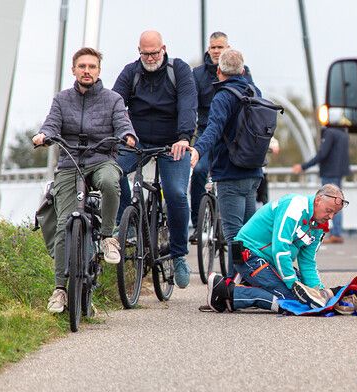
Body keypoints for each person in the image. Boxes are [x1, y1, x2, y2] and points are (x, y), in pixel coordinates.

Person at [32, 47, 137, 313]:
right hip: (70, 162)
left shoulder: (113, 99)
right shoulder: (62, 99)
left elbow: (122, 122)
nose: (87, 71)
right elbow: (52, 124)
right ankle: (59, 290)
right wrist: (43, 135)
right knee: (63, 224)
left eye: (92, 67)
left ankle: (107, 237)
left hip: (101, 160)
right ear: (74, 70)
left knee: (112, 182)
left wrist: (127, 136)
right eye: (82, 67)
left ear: (99, 71)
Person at [112, 30, 197, 288]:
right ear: (139, 51)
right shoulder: (131, 72)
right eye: (145, 53)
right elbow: (115, 104)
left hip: (173, 143)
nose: (150, 58)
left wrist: (184, 136)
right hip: (136, 140)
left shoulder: (179, 71)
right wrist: (122, 133)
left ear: (164, 49)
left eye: (154, 53)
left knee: (176, 194)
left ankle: (179, 253)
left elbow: (188, 104)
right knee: (112, 172)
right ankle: (125, 225)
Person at [204, 184, 349, 313]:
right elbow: (280, 249)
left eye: (334, 213)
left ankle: (249, 284)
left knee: (308, 297)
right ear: (318, 200)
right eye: (328, 210)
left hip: (269, 261)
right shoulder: (295, 206)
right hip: (250, 253)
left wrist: (318, 291)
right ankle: (226, 292)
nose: (330, 217)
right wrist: (293, 284)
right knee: (292, 300)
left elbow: (308, 261)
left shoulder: (319, 226)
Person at [189, 49, 262, 278]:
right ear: (242, 70)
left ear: (219, 71)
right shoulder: (254, 91)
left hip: (230, 173)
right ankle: (250, 283)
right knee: (250, 237)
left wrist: (198, 150)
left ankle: (232, 288)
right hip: (254, 173)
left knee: (235, 238)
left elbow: (213, 129)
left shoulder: (222, 97)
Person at [292, 126, 350, 244]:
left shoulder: (329, 132)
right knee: (338, 202)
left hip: (329, 172)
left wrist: (303, 166)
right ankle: (337, 232)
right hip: (339, 172)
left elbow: (322, 154)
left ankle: (336, 233)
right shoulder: (343, 133)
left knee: (330, 204)